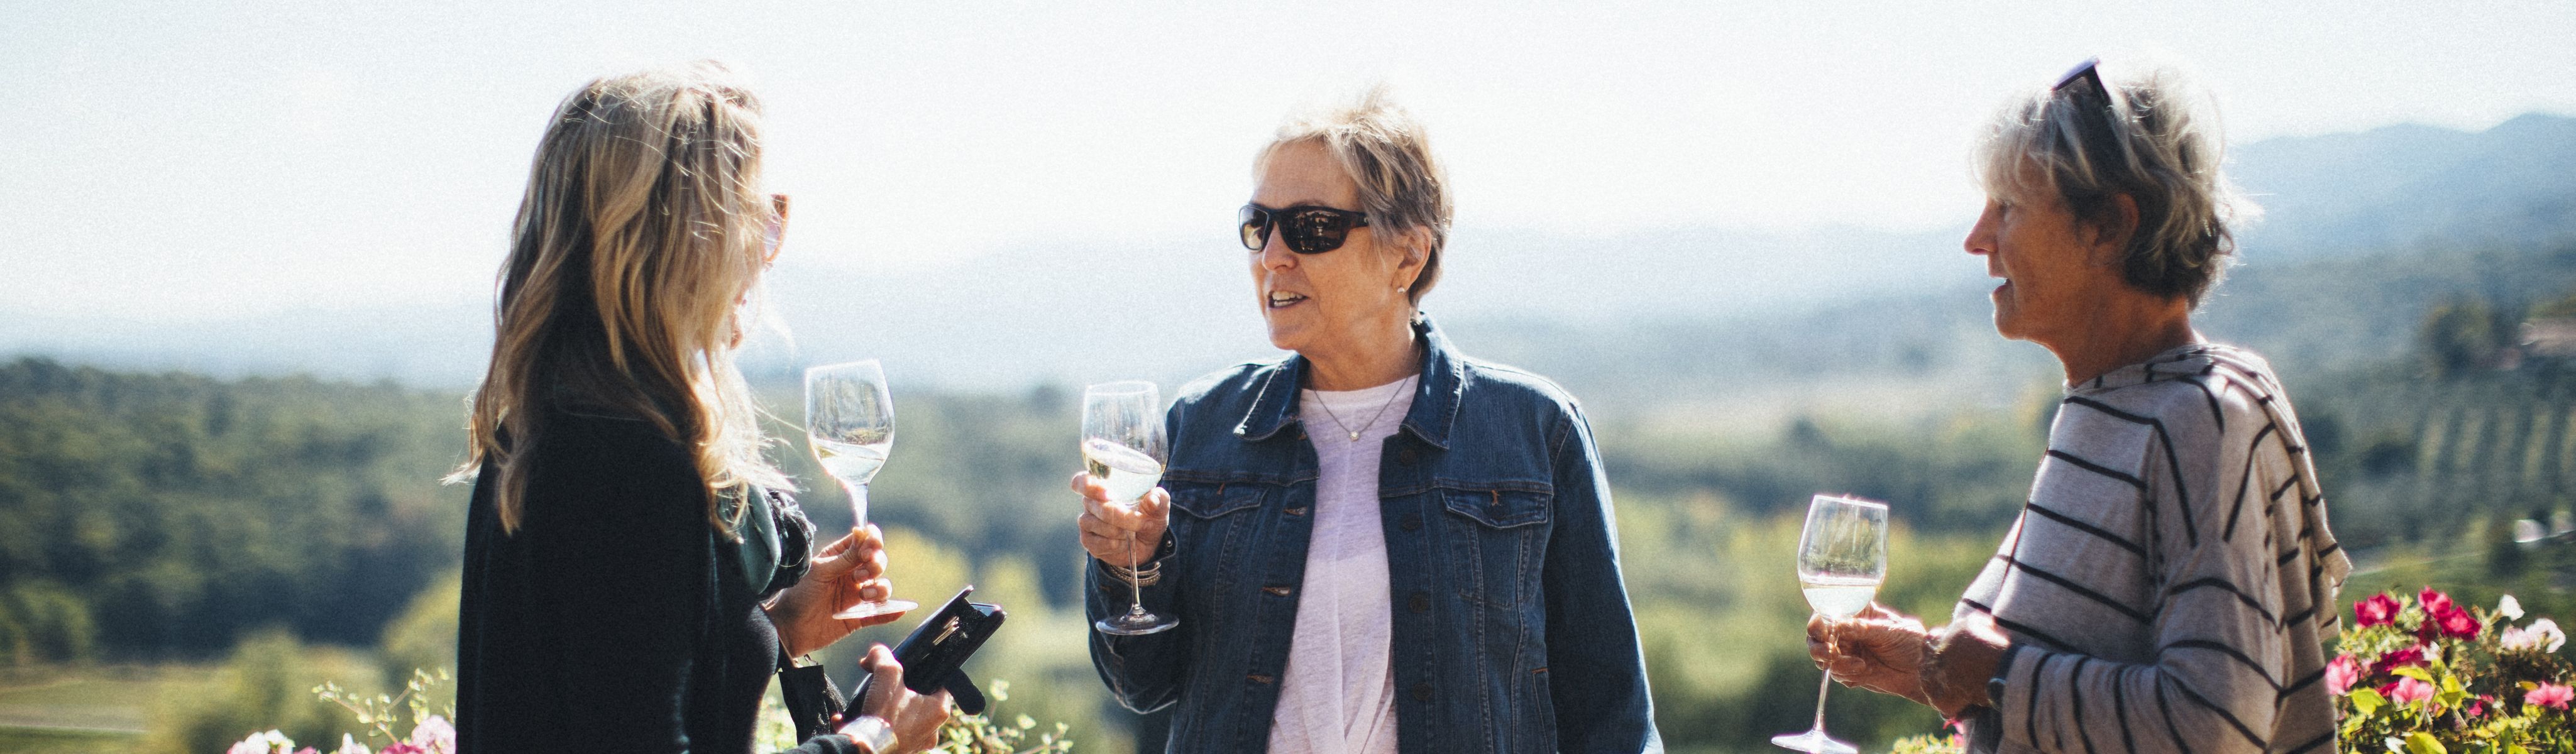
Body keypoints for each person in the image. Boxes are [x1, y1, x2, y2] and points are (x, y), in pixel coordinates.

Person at [1075, 87, 1662, 754]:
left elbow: (1611, 713)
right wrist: (1135, 564)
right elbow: (1140, 687)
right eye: (1257, 225)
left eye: (1311, 228)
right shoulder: (1201, 428)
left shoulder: (1534, 432)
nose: (1272, 256)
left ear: (1407, 257)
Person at [1805, 58, 2351, 754]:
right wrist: (1930, 666)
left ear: (2109, 227)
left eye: (2008, 206)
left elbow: (2218, 722)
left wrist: (2000, 675)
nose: (1977, 237)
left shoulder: (2198, 420)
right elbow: (2085, 660)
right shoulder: (2108, 403)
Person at [451, 62, 950, 754]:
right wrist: (876, 739)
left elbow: (606, 692)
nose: (769, 250)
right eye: (759, 211)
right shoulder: (631, 463)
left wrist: (764, 628)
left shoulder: (547, 427)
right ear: (687, 236)